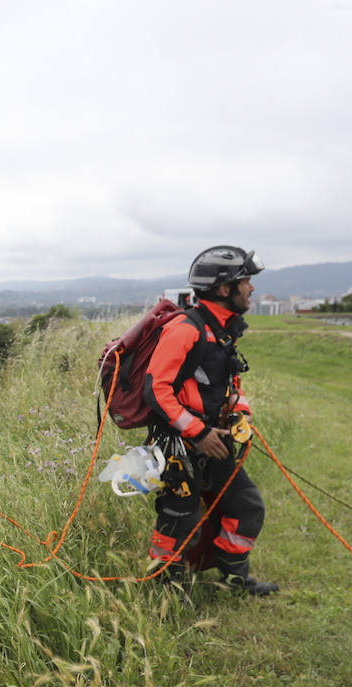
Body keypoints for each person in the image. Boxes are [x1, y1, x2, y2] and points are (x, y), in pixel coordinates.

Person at [144, 245, 278, 596]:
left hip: (214, 439)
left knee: (245, 505)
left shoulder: (224, 331)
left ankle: (233, 579)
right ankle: (165, 590)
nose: (251, 289)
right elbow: (155, 390)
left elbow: (231, 384)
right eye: (245, 282)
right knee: (179, 518)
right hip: (180, 443)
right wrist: (198, 432)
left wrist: (241, 415)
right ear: (224, 289)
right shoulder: (185, 330)